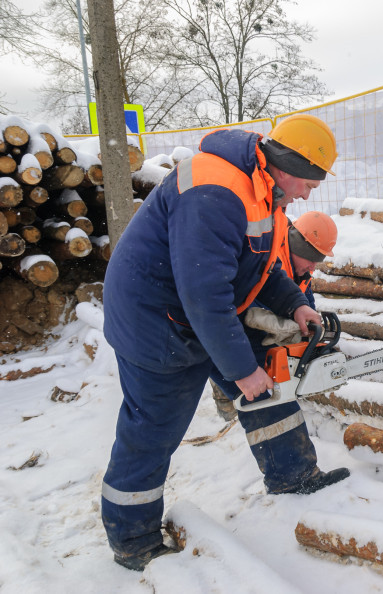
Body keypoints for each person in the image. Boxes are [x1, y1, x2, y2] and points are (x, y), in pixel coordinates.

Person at [101, 115, 348, 571]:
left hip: (202, 314)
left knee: (268, 392)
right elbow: (203, 292)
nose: (308, 194)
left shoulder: (261, 189)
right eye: (310, 182)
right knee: (153, 429)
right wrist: (240, 369)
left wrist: (297, 305)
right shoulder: (215, 192)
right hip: (156, 321)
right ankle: (133, 540)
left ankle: (293, 475)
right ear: (288, 164)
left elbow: (261, 265)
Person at [206, 212, 347, 499]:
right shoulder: (270, 255)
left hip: (224, 333)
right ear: (298, 245)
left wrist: (313, 341)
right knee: (269, 399)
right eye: (311, 257)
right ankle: (292, 477)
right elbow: (245, 298)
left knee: (269, 394)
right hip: (225, 329)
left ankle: (291, 474)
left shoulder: (301, 272)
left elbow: (304, 304)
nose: (313, 266)